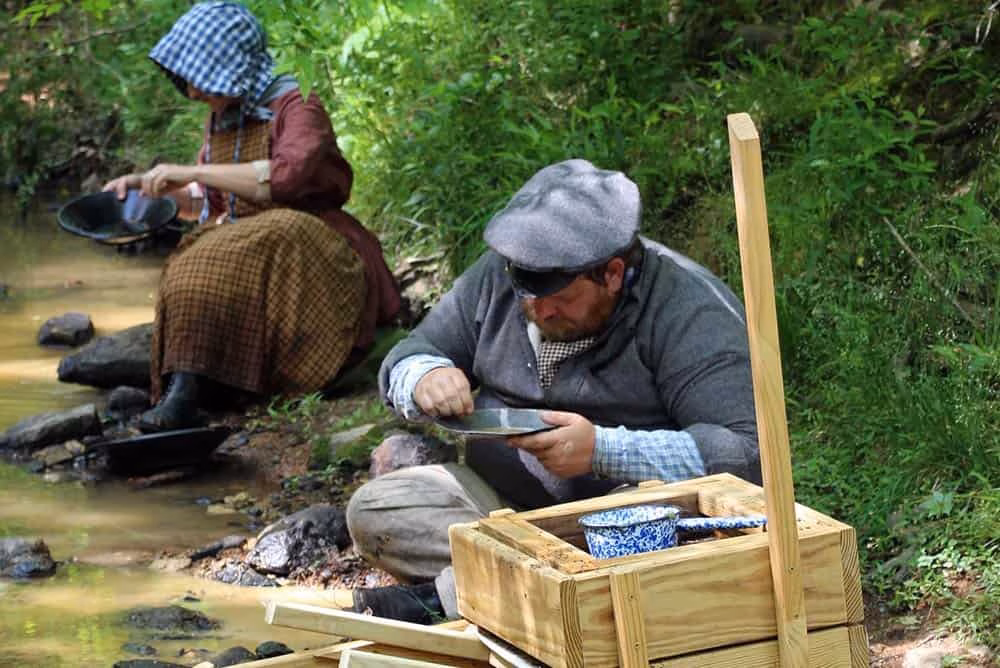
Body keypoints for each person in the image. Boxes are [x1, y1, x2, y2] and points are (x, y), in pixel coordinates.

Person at [344, 158, 761, 623]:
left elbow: (745, 450)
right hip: (504, 509)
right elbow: (412, 352)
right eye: (528, 297)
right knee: (378, 509)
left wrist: (604, 449)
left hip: (626, 518)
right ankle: (538, 588)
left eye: (559, 299)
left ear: (613, 274)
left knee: (633, 541)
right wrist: (423, 375)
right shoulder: (505, 277)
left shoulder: (689, 310)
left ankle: (460, 596)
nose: (538, 311)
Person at [103, 2, 401, 430]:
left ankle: (191, 394)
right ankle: (190, 387)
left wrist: (194, 170)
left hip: (310, 240)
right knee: (194, 257)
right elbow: (208, 199)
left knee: (246, 240)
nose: (193, 94)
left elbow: (285, 182)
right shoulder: (224, 116)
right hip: (246, 241)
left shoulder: (297, 105)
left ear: (231, 67)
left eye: (201, 81)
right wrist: (143, 189)